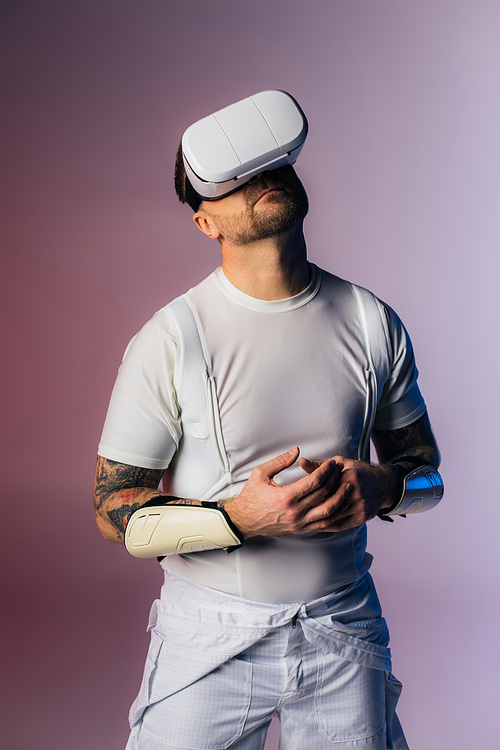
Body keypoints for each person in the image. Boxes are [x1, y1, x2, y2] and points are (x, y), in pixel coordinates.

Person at [93, 91, 442, 750]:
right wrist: (236, 518)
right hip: (209, 639)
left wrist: (385, 488)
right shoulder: (172, 338)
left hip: (341, 629)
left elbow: (428, 476)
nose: (262, 178)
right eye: (236, 177)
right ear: (206, 223)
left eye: (270, 162)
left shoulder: (372, 321)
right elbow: (111, 506)